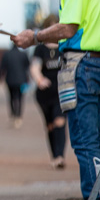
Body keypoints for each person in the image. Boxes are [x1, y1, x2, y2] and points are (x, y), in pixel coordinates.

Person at [13, 0, 100, 200]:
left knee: (84, 137)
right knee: (89, 137)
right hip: (97, 62)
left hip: (86, 64)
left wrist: (35, 36)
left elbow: (68, 28)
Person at [29, 14, 66, 169]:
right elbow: (34, 67)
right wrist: (39, 80)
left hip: (61, 90)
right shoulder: (40, 49)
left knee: (60, 121)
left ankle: (60, 156)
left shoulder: (65, 47)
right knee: (50, 125)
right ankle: (54, 155)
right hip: (44, 94)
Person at [0, 42, 30, 129]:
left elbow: (2, 67)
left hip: (10, 80)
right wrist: (28, 79)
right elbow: (28, 67)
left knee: (11, 97)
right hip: (22, 80)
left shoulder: (6, 54)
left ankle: (13, 114)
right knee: (20, 98)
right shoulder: (23, 54)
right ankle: (19, 116)